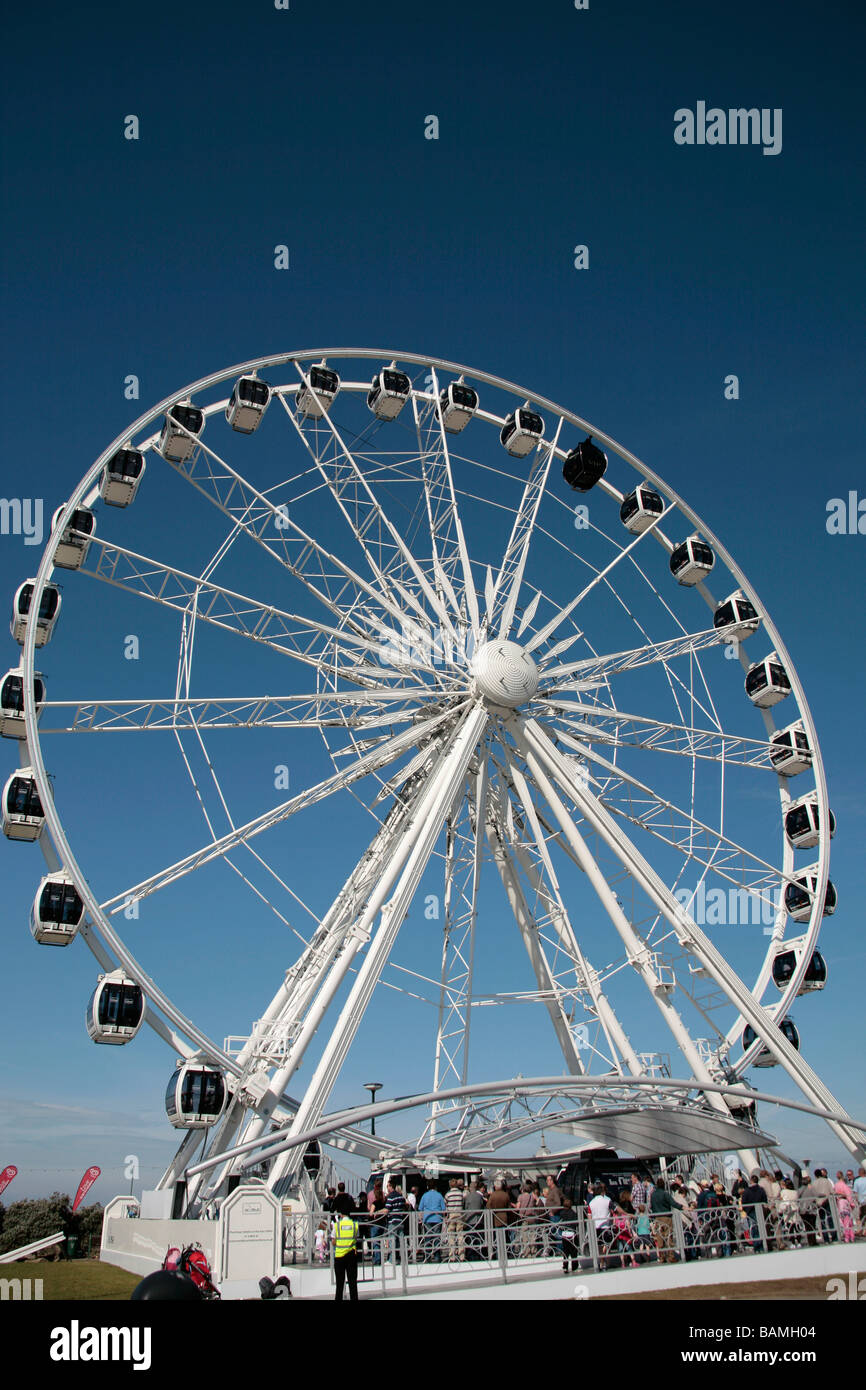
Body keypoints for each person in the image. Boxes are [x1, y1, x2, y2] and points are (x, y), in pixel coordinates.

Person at [331, 1208, 359, 1302]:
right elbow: (356, 1237)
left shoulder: (337, 1225)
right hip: (351, 1255)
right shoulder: (355, 1225)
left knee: (339, 1282)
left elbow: (333, 1241)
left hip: (339, 1256)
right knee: (352, 1282)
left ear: (341, 1214)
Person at [649, 1181, 680, 1264]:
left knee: (659, 1238)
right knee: (668, 1236)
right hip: (666, 1217)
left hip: (657, 1218)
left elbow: (651, 1206)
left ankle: (662, 1257)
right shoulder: (665, 1194)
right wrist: (682, 1207)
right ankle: (671, 1257)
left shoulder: (653, 1195)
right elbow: (673, 1203)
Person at [418, 1180, 446, 1261]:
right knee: (437, 1237)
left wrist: (421, 1219)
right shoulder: (439, 1195)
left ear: (427, 1187)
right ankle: (437, 1256)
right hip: (437, 1219)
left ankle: (427, 1256)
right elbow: (443, 1208)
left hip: (427, 1218)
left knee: (428, 1238)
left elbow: (420, 1209)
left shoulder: (424, 1195)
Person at [740, 1173, 769, 1247]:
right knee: (761, 1227)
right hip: (760, 1210)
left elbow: (744, 1202)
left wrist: (746, 1210)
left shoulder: (747, 1191)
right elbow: (765, 1200)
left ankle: (757, 1245)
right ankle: (763, 1244)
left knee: (753, 1228)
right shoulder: (761, 1190)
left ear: (751, 1181)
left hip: (751, 1211)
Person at [385, 1180, 409, 1262]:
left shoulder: (390, 1196)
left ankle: (392, 1260)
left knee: (392, 1240)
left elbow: (387, 1209)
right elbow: (405, 1205)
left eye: (388, 1186)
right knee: (401, 1241)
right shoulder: (400, 1196)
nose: (387, 1188)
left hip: (393, 1221)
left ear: (391, 1186)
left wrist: (377, 1212)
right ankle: (402, 1258)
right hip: (401, 1220)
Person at [445, 1176, 466, 1261]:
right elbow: (463, 1203)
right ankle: (462, 1255)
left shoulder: (448, 1194)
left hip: (451, 1215)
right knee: (460, 1235)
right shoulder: (461, 1193)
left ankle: (452, 1255)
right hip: (459, 1215)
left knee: (451, 1235)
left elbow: (446, 1204)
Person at [559, 1196, 581, 1273]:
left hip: (564, 1234)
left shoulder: (561, 1213)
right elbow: (576, 1223)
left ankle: (565, 1266)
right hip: (572, 1234)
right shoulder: (573, 1213)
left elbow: (560, 1224)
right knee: (573, 1251)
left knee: (565, 1252)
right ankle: (574, 1266)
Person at [464, 1179, 485, 1255]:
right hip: (479, 1219)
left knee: (471, 1238)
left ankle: (471, 1254)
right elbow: (482, 1206)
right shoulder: (479, 1197)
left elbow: (466, 1208)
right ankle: (480, 1253)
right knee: (479, 1237)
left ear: (470, 1188)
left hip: (470, 1220)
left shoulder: (468, 1197)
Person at [833, 1174, 855, 1243]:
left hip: (839, 1203)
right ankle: (849, 1237)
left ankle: (847, 1237)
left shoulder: (836, 1185)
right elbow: (848, 1195)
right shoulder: (844, 1186)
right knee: (848, 1221)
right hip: (845, 1203)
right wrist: (852, 1204)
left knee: (843, 1221)